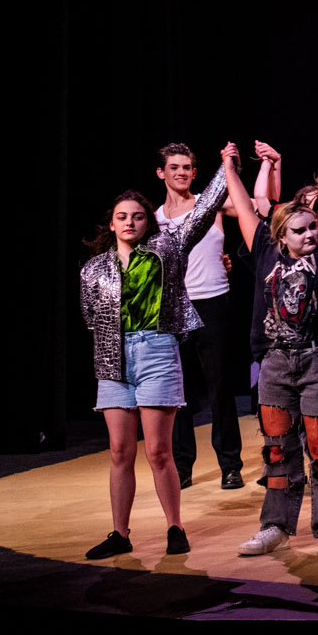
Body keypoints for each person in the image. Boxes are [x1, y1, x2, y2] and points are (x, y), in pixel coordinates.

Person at [78, 142, 233, 558]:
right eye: (122, 217)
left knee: (159, 451)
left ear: (149, 222)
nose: (130, 222)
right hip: (113, 361)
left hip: (157, 351)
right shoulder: (94, 269)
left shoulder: (167, 249)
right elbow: (91, 317)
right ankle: (120, 534)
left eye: (138, 216)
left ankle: (175, 527)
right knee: (118, 452)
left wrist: (226, 165)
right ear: (111, 224)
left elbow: (202, 212)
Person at [225, 131, 318, 559]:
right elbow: (245, 212)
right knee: (276, 447)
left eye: (313, 227)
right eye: (301, 230)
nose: (311, 234)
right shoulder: (266, 254)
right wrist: (230, 169)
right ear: (281, 235)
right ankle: (274, 525)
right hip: (275, 364)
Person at [154, 141, 247, 490]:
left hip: (213, 302)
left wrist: (238, 168)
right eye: (174, 167)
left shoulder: (214, 207)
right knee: (179, 392)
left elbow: (257, 208)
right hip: (174, 307)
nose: (181, 172)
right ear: (161, 172)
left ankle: (230, 465)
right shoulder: (154, 219)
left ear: (195, 173)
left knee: (220, 385)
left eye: (187, 167)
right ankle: (181, 466)